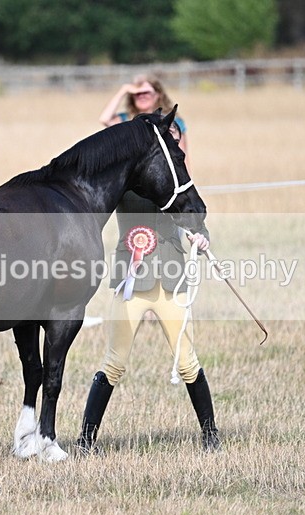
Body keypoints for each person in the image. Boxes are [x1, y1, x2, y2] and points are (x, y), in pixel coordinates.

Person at [76, 75, 220, 454]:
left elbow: (192, 218)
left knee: (188, 362)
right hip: (132, 278)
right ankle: (86, 441)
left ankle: (211, 437)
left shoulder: (175, 184)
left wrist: (200, 235)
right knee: (114, 363)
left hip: (171, 276)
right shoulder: (125, 179)